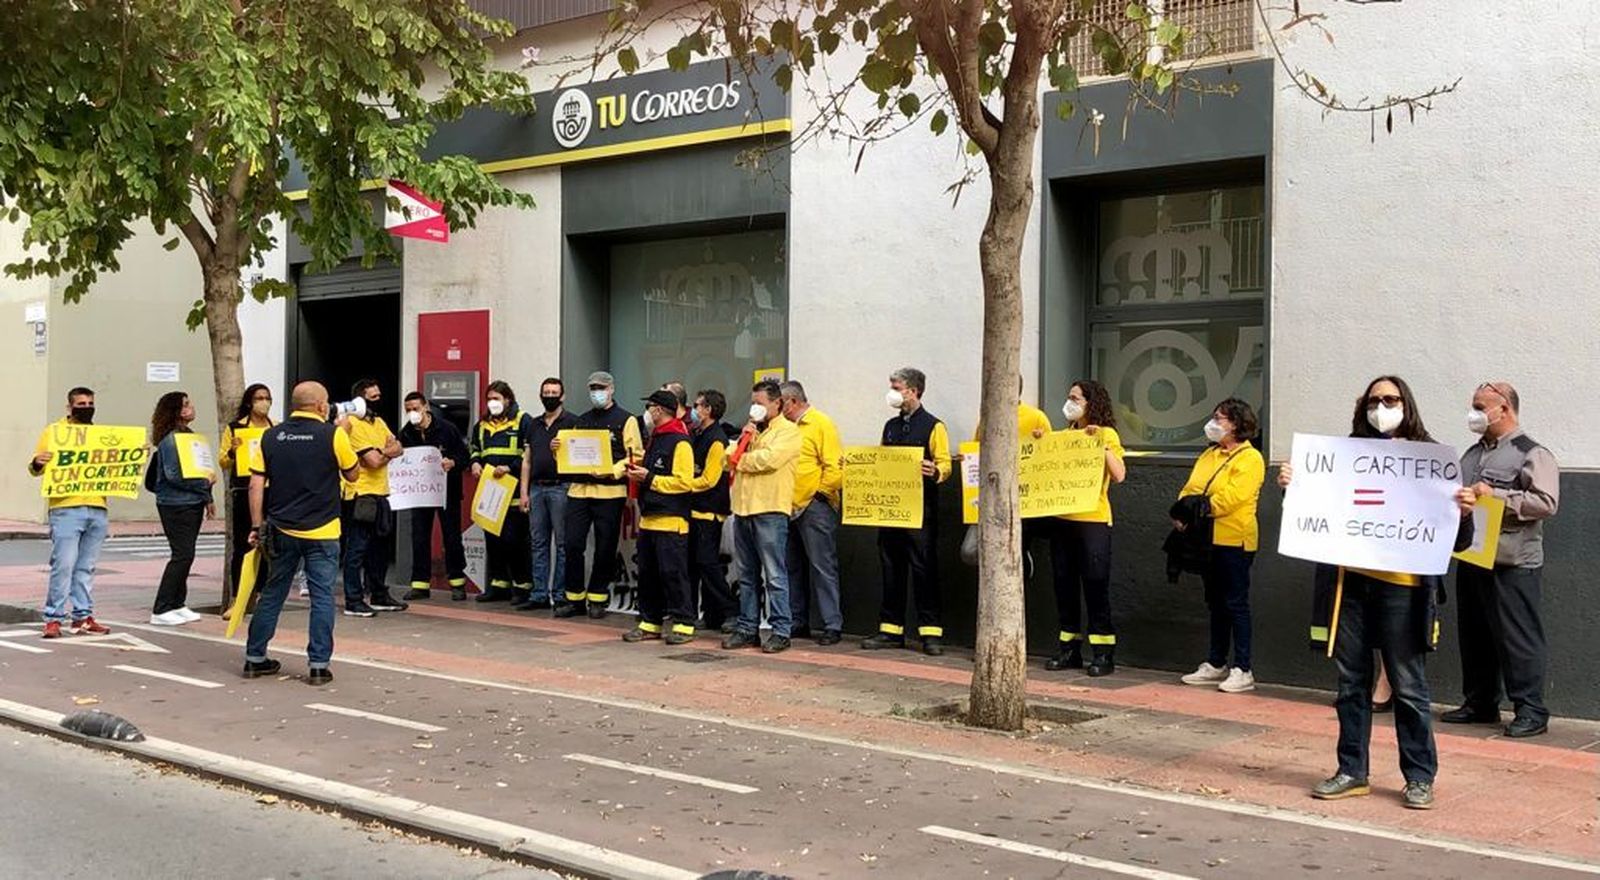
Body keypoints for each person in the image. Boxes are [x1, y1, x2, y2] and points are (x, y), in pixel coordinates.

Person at [1286, 376, 1474, 810]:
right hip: (1350, 586)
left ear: (1406, 403)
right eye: (1374, 401)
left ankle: (1419, 777)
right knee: (1350, 682)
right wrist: (1297, 486)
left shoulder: (1432, 460)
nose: (1381, 408)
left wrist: (1463, 513)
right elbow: (1317, 509)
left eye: (1389, 400)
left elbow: (1460, 542)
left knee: (1409, 686)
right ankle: (1352, 771)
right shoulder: (1344, 455)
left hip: (1404, 592)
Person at [1445, 381, 1560, 739]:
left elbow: (1546, 503)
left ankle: (1531, 709)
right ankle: (1480, 703)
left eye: (1481, 407)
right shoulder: (1472, 454)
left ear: (1505, 409)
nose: (1475, 413)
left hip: (1514, 561)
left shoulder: (1532, 453)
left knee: (1518, 637)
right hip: (1473, 556)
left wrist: (1495, 495)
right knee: (1475, 633)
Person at [245, 382, 359, 684]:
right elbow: (353, 473)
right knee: (322, 597)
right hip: (323, 530)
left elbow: (255, 484)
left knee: (273, 592)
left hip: (282, 527)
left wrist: (257, 526)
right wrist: (345, 433)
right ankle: (318, 665)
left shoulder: (271, 436)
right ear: (322, 406)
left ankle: (255, 658)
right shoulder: (333, 434)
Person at [1175, 398, 1265, 693]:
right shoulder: (1209, 455)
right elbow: (1190, 488)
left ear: (1237, 424)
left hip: (1233, 540)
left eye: (1220, 418)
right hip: (1205, 540)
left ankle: (1243, 667)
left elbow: (1232, 498)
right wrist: (1182, 511)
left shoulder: (1250, 459)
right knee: (1215, 603)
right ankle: (1216, 663)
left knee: (1235, 603)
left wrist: (1198, 510)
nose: (1213, 424)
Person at [862, 368, 952, 656]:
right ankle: (891, 631)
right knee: (891, 568)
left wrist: (935, 470)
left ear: (913, 391)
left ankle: (931, 634)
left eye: (896, 387)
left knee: (924, 570)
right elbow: (880, 460)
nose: (892, 392)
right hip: (889, 510)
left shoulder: (934, 426)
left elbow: (945, 463)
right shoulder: (890, 426)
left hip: (920, 512)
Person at [1046, 379, 1126, 675]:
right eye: (1069, 397)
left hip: (1093, 522)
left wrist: (1100, 446)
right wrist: (1042, 444)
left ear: (1091, 403)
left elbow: (1119, 475)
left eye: (1075, 398)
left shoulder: (1106, 434)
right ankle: (1069, 650)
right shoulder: (1065, 435)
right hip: (1062, 520)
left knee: (1095, 585)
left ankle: (1103, 653)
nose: (1070, 403)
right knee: (1063, 586)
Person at [555, 371, 644, 619]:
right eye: (593, 387)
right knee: (572, 544)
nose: (597, 392)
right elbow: (569, 456)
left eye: (602, 387)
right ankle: (574, 598)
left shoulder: (626, 420)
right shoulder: (580, 420)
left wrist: (612, 471)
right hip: (578, 491)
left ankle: (598, 597)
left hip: (610, 492)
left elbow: (635, 455)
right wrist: (557, 450)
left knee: (605, 548)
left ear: (612, 389)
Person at [28, 387, 114, 639]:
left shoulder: (102, 435)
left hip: (97, 507)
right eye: (81, 403)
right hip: (66, 507)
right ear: (70, 407)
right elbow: (35, 468)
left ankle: (82, 617)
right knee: (63, 565)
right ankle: (54, 618)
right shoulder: (55, 433)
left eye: (90, 403)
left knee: (86, 567)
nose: (86, 407)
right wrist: (37, 463)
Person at [722, 380, 801, 654]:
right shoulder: (751, 432)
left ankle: (781, 630)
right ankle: (747, 628)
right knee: (747, 575)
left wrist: (740, 459)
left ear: (777, 404)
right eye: (753, 402)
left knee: (775, 575)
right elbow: (726, 456)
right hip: (743, 509)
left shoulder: (789, 432)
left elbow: (768, 460)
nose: (755, 408)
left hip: (769, 510)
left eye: (760, 403)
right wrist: (743, 442)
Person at [623, 390, 699, 644]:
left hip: (672, 520)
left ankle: (684, 623)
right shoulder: (656, 438)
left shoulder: (680, 442)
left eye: (651, 407)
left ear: (658, 410)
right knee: (648, 575)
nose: (648, 413)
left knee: (673, 574)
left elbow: (684, 483)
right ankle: (650, 623)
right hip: (649, 519)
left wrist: (649, 479)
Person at [779, 380, 845, 645]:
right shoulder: (783, 428)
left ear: (792, 402)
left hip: (815, 505)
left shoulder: (820, 423)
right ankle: (798, 621)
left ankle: (832, 624)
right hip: (786, 505)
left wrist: (819, 494)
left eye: (779, 402)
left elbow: (835, 465)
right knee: (791, 567)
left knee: (823, 566)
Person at [147, 391, 216, 626]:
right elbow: (175, 475)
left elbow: (196, 468)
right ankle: (162, 607)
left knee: (187, 554)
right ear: (175, 411)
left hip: (191, 501)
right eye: (185, 405)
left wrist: (207, 497)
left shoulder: (188, 436)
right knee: (182, 554)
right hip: (175, 503)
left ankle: (177, 603)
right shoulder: (171, 440)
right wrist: (204, 484)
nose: (191, 408)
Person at [341, 380, 406, 616]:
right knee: (357, 549)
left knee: (379, 549)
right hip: (360, 493)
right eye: (373, 397)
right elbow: (373, 461)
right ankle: (353, 599)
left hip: (381, 492)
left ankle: (379, 593)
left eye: (379, 395)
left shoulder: (378, 422)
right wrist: (387, 452)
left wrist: (384, 452)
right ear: (360, 400)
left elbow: (398, 447)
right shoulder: (351, 424)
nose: (379, 400)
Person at [470, 380, 537, 604]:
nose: (493, 403)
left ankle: (522, 585)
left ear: (508, 399)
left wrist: (511, 468)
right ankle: (499, 585)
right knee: (494, 541)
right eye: (490, 399)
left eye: (497, 399)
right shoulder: (481, 425)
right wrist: (475, 464)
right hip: (490, 493)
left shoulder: (523, 421)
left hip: (515, 490)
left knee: (515, 541)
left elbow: (530, 454)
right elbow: (475, 449)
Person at [400, 392, 470, 601]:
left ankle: (457, 583)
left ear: (426, 407)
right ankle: (420, 584)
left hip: (447, 492)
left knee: (451, 537)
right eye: (409, 410)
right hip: (420, 494)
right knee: (419, 537)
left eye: (416, 408)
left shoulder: (447, 429)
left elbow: (464, 456)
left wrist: (453, 463)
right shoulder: (406, 434)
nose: (413, 413)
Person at [518, 378, 577, 610]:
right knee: (538, 543)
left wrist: (561, 451)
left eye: (554, 392)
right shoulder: (533, 424)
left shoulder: (573, 422)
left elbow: (579, 458)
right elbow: (527, 460)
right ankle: (539, 594)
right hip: (536, 488)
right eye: (546, 392)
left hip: (561, 487)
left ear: (562, 396)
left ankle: (560, 594)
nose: (550, 396)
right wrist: (523, 493)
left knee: (562, 544)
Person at [687, 390, 738, 632]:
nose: (693, 410)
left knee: (707, 563)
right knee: (698, 564)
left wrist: (682, 485)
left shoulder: (717, 440)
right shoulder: (699, 434)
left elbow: (709, 479)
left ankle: (730, 610)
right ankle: (711, 615)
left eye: (697, 406)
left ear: (708, 410)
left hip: (709, 511)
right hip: (695, 510)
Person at [218, 383, 274, 596]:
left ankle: (263, 591)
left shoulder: (275, 427)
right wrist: (232, 451)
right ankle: (238, 597)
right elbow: (223, 461)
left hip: (271, 489)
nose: (264, 402)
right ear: (250, 402)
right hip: (243, 490)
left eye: (267, 398)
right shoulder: (236, 428)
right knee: (244, 543)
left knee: (268, 544)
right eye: (259, 398)